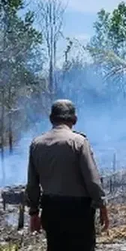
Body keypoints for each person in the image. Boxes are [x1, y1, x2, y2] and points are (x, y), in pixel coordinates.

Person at [25, 99, 109, 251]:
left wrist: (34, 213)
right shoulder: (79, 142)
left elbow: (32, 184)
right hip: (79, 210)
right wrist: (102, 205)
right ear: (74, 120)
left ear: (51, 119)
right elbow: (92, 180)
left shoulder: (36, 144)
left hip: (51, 209)